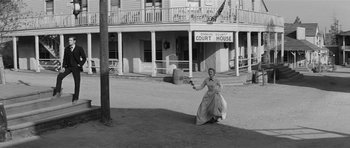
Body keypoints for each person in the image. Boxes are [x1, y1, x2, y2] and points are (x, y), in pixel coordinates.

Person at [53, 36, 86, 103]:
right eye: (69, 40)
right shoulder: (67, 49)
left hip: (76, 68)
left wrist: (80, 64)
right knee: (59, 76)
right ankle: (57, 92)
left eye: (71, 40)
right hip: (68, 67)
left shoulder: (79, 48)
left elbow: (84, 58)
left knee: (77, 82)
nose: (69, 42)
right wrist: (63, 67)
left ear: (74, 41)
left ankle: (75, 98)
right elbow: (65, 59)